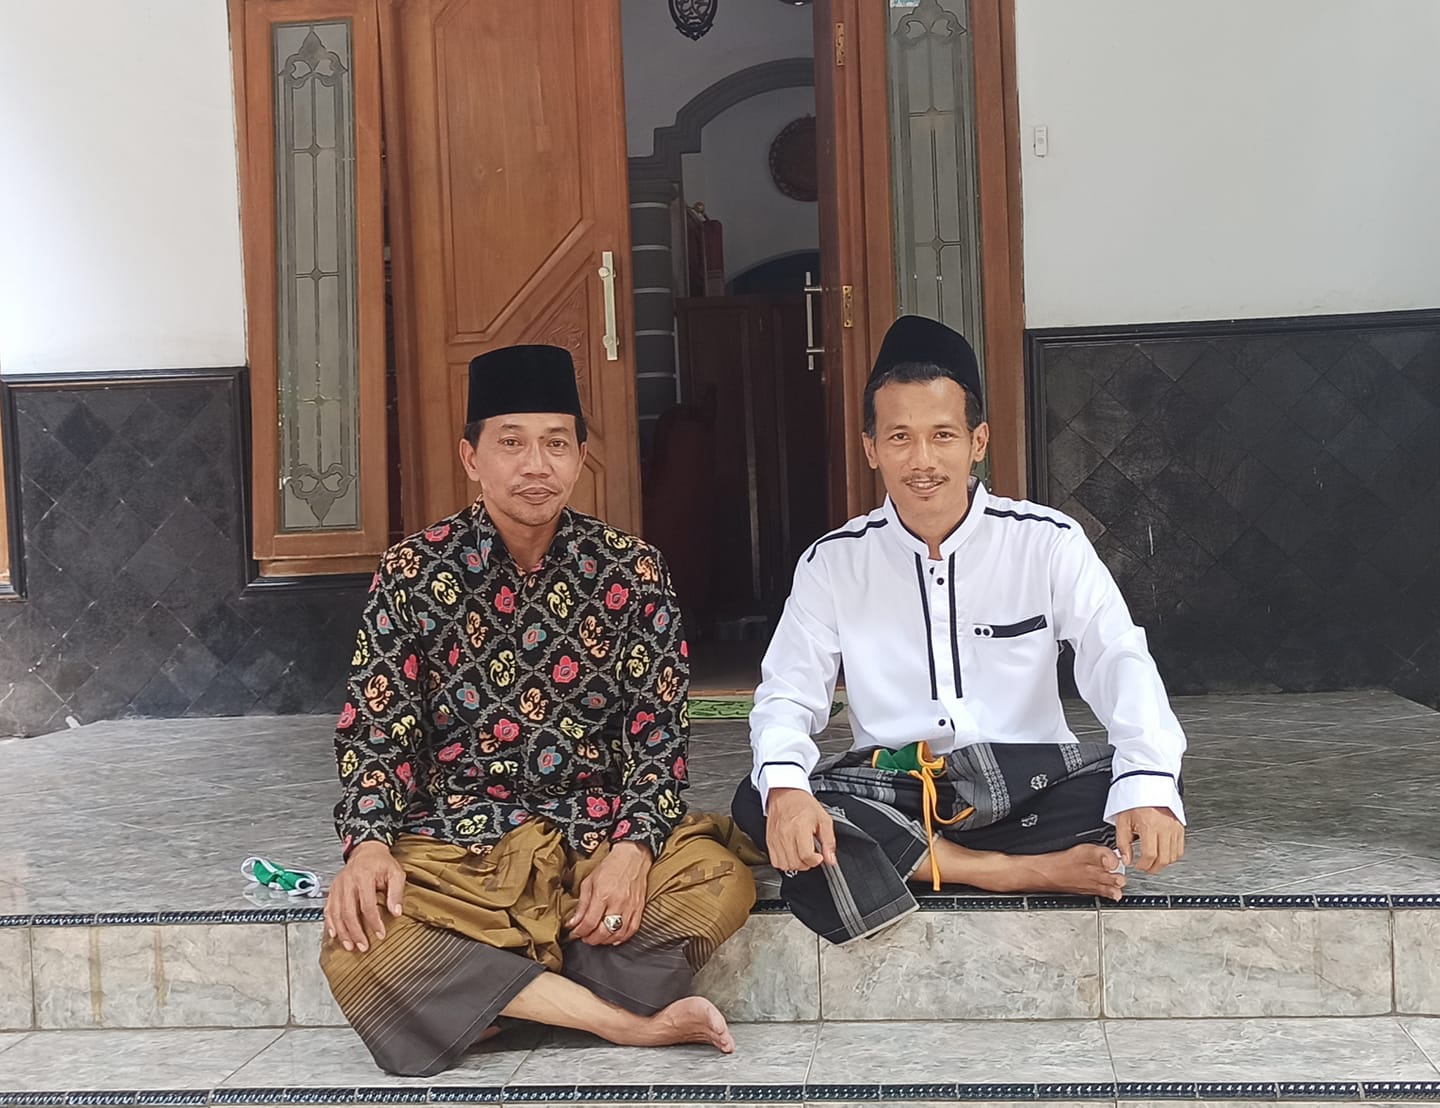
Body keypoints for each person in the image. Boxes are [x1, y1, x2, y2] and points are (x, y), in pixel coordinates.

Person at [322, 344, 756, 1075]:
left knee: (720, 879)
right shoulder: (411, 572)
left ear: (582, 457)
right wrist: (367, 844)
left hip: (593, 837)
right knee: (357, 943)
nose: (536, 465)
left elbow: (658, 735)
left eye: (556, 444)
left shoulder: (632, 569)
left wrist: (631, 850)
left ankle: (487, 997)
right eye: (512, 443)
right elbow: (376, 727)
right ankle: (619, 1021)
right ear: (471, 456)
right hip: (461, 849)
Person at [731, 316, 1186, 945]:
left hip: (1029, 788)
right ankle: (1009, 873)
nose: (922, 461)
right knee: (762, 797)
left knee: (1144, 772)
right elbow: (787, 693)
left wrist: (1150, 786)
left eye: (942, 435)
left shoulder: (1045, 542)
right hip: (899, 789)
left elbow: (1117, 657)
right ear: (871, 449)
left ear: (978, 441)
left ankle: (911, 864)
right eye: (900, 438)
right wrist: (785, 791)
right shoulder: (834, 562)